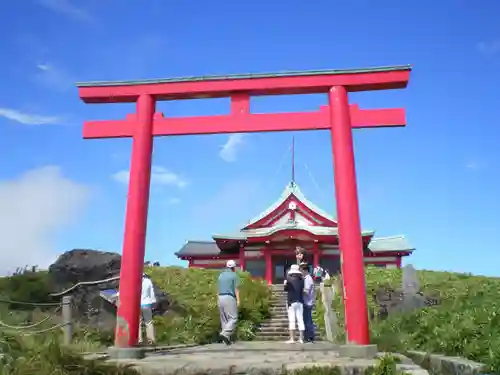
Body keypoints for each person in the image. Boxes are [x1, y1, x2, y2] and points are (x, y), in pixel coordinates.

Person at [114, 273, 157, 345]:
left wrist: (116, 295)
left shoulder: (133, 281)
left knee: (138, 323)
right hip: (146, 304)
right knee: (149, 322)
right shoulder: (148, 281)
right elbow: (151, 293)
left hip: (136, 304)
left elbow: (125, 290)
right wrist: (152, 302)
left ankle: (139, 340)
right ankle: (151, 340)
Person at [218, 259, 240, 345]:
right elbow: (236, 289)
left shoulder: (221, 275)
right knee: (233, 318)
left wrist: (218, 299)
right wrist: (238, 300)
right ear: (234, 267)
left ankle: (225, 340)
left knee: (224, 319)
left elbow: (218, 288)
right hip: (229, 297)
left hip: (220, 297)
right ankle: (225, 333)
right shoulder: (234, 275)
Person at [283, 264, 305, 344]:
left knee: (292, 320)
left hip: (291, 302)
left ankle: (292, 339)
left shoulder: (289, 280)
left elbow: (285, 289)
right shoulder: (302, 280)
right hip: (300, 301)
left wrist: (285, 284)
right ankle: (301, 339)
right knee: (300, 320)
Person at [300, 262, 315, 343]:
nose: (301, 272)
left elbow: (306, 291)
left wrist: (298, 289)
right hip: (306, 302)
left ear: (304, 270)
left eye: (301, 270)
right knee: (306, 320)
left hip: (307, 302)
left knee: (308, 320)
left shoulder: (308, 279)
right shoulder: (306, 278)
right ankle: (308, 336)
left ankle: (310, 336)